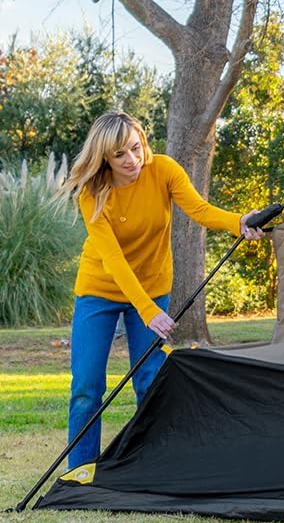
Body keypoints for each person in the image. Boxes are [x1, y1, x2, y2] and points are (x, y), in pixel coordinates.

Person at [63, 110, 266, 468]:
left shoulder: (164, 170)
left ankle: (153, 463)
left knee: (150, 379)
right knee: (86, 387)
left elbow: (200, 210)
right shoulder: (93, 193)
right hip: (100, 290)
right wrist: (147, 311)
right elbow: (113, 260)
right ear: (105, 159)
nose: (132, 159)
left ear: (143, 140)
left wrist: (239, 222)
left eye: (135, 147)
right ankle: (80, 471)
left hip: (153, 285)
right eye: (120, 155)